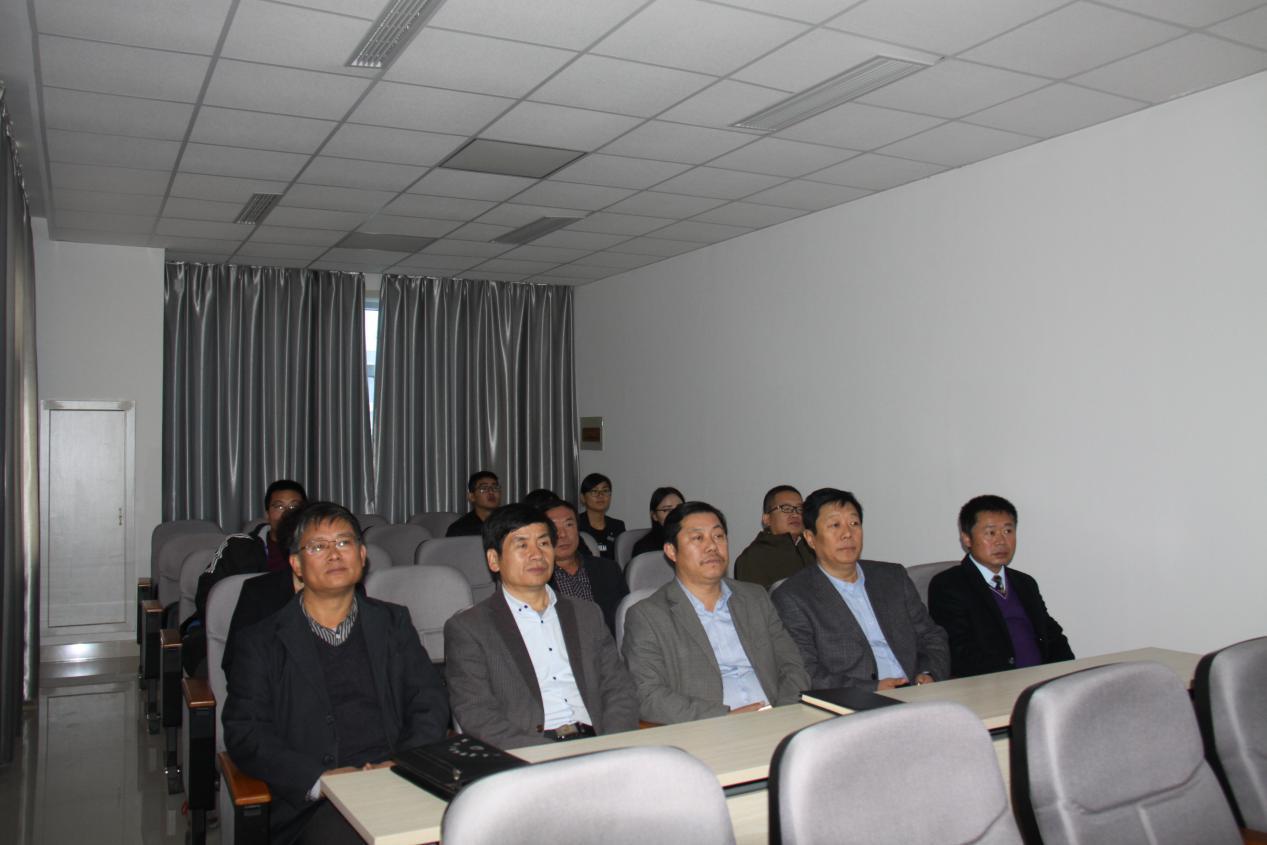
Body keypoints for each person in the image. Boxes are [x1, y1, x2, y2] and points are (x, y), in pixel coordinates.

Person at [223, 502, 449, 845]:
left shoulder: (393, 622)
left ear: (362, 555)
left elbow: (428, 701)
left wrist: (402, 764)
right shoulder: (261, 641)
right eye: (318, 546)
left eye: (344, 542)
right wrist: (320, 780)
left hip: (399, 779)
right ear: (296, 564)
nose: (334, 554)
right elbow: (247, 732)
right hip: (317, 804)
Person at [444, 503, 639, 748]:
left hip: (599, 741)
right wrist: (544, 754)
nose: (537, 554)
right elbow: (477, 714)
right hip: (528, 750)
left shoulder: (587, 614)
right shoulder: (469, 628)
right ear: (494, 560)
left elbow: (619, 689)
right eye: (522, 545)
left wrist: (611, 743)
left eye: (544, 543)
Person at [621, 501, 809, 725]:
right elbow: (647, 695)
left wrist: (784, 713)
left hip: (777, 719)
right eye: (698, 538)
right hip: (709, 728)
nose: (712, 546)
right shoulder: (647, 615)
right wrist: (723, 718)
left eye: (718, 536)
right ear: (671, 551)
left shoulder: (755, 598)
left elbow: (793, 666)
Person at [772, 488, 949, 691]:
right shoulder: (793, 597)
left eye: (854, 524)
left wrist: (928, 674)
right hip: (856, 701)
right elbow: (806, 671)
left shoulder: (892, 577)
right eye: (835, 525)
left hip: (917, 691)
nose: (847, 534)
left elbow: (932, 636)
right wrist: (872, 688)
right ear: (810, 538)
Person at [927, 495, 1074, 677]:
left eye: (1008, 531)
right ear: (967, 539)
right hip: (994, 684)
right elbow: (960, 652)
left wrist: (1066, 674)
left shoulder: (1025, 583)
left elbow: (1052, 636)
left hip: (1043, 680)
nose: (1001, 541)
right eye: (991, 533)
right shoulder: (949, 585)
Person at [180, 479, 307, 675]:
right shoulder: (238, 547)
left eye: (294, 507)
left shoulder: (314, 553)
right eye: (279, 506)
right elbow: (209, 596)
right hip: (238, 631)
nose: (287, 513)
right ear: (267, 514)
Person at [542, 497, 629, 634]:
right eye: (553, 527)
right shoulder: (537, 578)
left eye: (569, 525)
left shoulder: (608, 569)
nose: (562, 534)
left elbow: (627, 618)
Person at [734, 485, 815, 589]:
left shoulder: (813, 549)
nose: (795, 514)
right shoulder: (752, 558)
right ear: (767, 519)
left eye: (800, 509)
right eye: (786, 508)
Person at [577, 473, 625, 560]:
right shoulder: (575, 525)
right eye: (594, 491)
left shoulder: (618, 526)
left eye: (605, 491)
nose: (600, 495)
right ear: (583, 498)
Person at [630, 486, 684, 558]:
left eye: (679, 508)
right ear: (654, 515)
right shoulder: (644, 549)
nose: (675, 513)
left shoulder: (692, 539)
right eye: (667, 510)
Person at [446, 470, 503, 537]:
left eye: (495, 487)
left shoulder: (509, 522)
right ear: (471, 497)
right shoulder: (459, 529)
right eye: (484, 488)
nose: (491, 492)